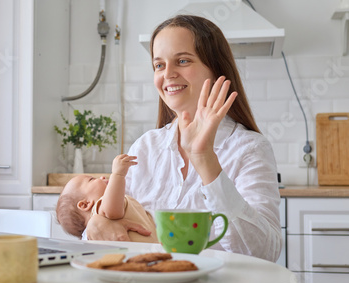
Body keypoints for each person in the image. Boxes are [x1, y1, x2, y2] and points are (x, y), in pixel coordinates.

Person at [84, 15, 282, 262]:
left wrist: (204, 158)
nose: (168, 74)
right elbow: (103, 230)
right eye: (159, 65)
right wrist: (94, 226)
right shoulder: (145, 147)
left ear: (216, 68)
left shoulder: (250, 148)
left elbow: (265, 252)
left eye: (183, 60)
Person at [55, 154, 158, 243]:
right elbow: (112, 211)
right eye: (92, 179)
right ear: (85, 204)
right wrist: (117, 175)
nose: (102, 177)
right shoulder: (99, 211)